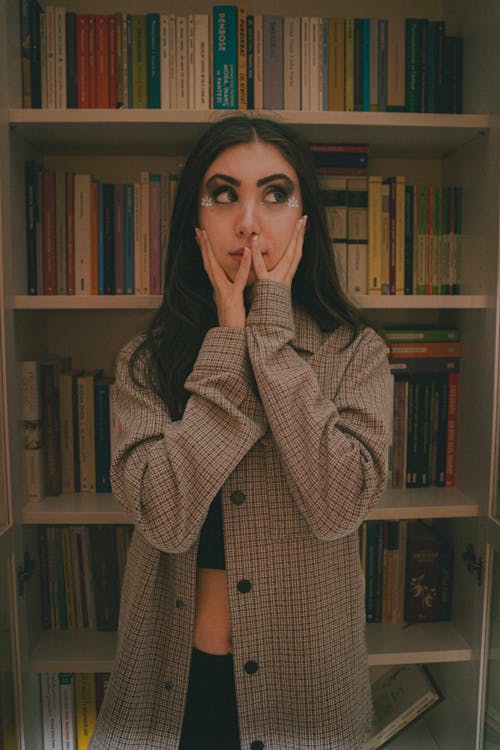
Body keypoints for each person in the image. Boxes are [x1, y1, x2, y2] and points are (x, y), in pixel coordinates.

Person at [89, 114, 391, 750]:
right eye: (223, 193)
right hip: (171, 687)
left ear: (304, 219)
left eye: (275, 194)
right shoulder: (146, 362)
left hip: (304, 688)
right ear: (194, 219)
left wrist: (269, 340)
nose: (249, 221)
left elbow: (339, 504)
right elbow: (166, 517)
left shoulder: (356, 353)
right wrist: (227, 346)